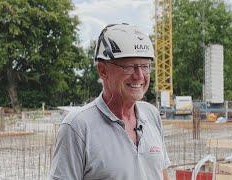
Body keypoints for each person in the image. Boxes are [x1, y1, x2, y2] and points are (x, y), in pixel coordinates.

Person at [49, 23, 171, 180]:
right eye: (129, 66)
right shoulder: (77, 127)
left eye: (145, 66)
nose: (139, 75)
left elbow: (162, 173)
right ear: (102, 70)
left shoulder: (151, 114)